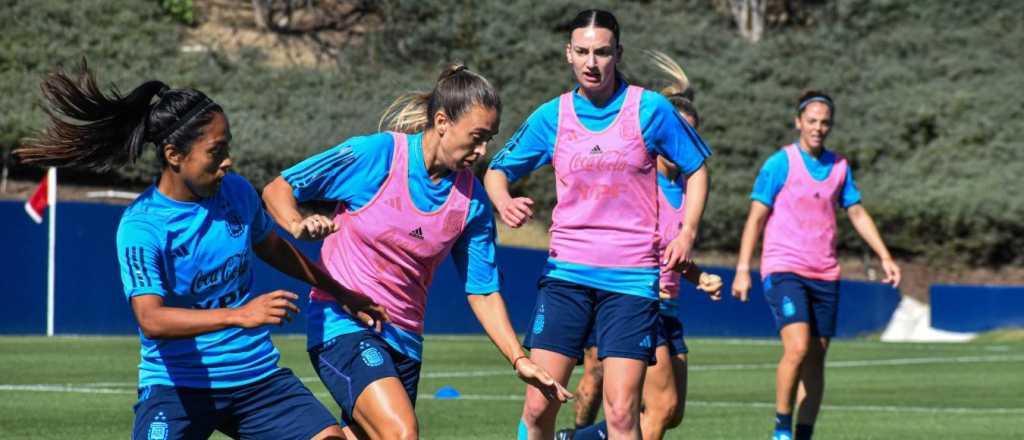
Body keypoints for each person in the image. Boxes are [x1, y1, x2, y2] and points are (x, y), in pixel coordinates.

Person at [15, 60, 388, 440]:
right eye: (215, 151)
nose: (227, 161)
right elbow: (151, 319)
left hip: (256, 378)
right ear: (174, 155)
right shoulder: (142, 225)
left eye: (228, 147)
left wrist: (342, 292)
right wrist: (239, 315)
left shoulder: (237, 191)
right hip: (177, 387)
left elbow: (274, 249)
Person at [261, 64, 571, 440]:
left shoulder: (472, 202)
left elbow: (483, 291)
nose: (482, 151)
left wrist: (518, 358)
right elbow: (280, 188)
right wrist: (296, 223)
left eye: (489, 139)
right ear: (442, 122)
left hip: (406, 341)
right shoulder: (377, 155)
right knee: (402, 432)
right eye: (476, 137)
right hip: (343, 323)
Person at [483, 10, 712, 439]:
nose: (592, 62)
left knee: (622, 412)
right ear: (568, 54)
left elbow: (697, 168)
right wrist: (503, 201)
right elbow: (497, 170)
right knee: (538, 405)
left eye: (602, 52)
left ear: (617, 54)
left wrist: (687, 232)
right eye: (583, 51)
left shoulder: (650, 109)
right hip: (566, 276)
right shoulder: (553, 116)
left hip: (631, 281)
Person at [561, 50, 722, 440]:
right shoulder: (640, 180)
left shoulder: (689, 189)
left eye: (690, 135)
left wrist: (698, 277)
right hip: (636, 300)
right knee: (652, 406)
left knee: (670, 413)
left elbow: (672, 251)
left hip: (669, 307)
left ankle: (573, 439)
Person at [729, 90, 902, 440]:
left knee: (816, 357)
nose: (818, 128)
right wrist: (743, 268)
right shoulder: (780, 164)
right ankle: (781, 429)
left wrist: (885, 256)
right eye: (811, 121)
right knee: (797, 347)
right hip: (784, 268)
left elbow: (856, 212)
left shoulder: (839, 167)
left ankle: (804, 433)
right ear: (798, 122)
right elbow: (756, 218)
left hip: (824, 272)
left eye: (824, 122)